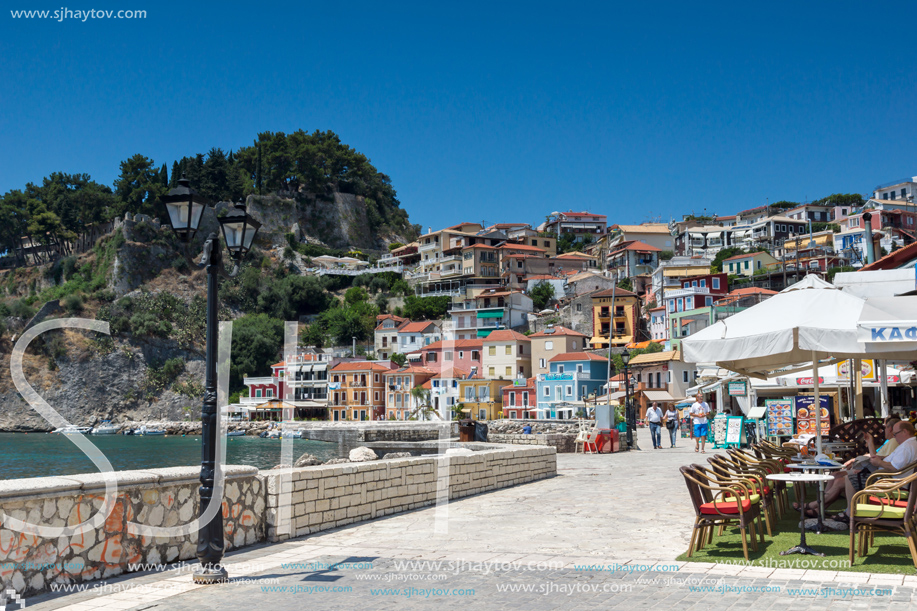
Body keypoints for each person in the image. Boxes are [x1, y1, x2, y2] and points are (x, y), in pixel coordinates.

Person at [794, 417, 899, 517]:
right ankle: (819, 508)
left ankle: (817, 506)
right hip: (874, 472)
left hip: (876, 475)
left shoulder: (893, 442)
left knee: (838, 477)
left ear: (890, 429)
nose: (883, 430)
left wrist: (866, 451)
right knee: (835, 475)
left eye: (885, 427)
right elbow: (879, 457)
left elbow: (878, 459)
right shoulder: (890, 442)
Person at [834, 420, 917, 522]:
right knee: (856, 476)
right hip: (891, 480)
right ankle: (854, 511)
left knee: (851, 478)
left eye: (895, 434)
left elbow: (895, 467)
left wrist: (879, 463)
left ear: (905, 431)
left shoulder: (906, 447)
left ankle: (850, 513)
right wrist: (873, 449)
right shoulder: (911, 444)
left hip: (891, 483)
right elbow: (891, 461)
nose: (894, 437)